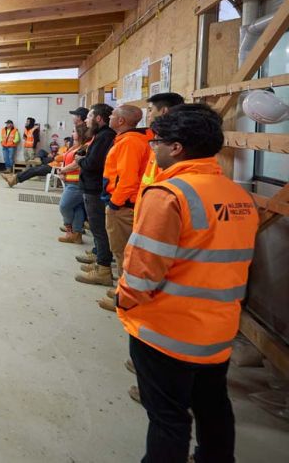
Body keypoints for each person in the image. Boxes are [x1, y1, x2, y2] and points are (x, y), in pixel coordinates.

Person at [117, 104, 258, 463]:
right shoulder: (238, 196)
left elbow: (143, 271)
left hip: (168, 329)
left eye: (157, 142)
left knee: (167, 418)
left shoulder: (168, 195)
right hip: (219, 327)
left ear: (176, 147)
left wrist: (125, 302)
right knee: (212, 406)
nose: (154, 148)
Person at [96, 104, 152, 309]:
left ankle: (126, 296)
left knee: (123, 252)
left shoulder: (129, 143)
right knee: (122, 251)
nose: (109, 117)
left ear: (121, 121)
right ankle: (123, 288)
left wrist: (114, 204)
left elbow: (127, 180)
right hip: (125, 203)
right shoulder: (128, 140)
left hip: (123, 206)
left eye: (112, 115)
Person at [60, 103, 116, 286]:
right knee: (97, 227)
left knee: (99, 228)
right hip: (90, 186)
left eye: (89, 116)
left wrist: (80, 160)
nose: (86, 120)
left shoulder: (104, 136)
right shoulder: (100, 136)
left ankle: (103, 268)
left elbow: (92, 163)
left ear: (98, 118)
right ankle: (99, 258)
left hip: (94, 187)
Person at [139, 92, 185, 196]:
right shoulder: (158, 137)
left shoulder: (168, 143)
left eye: (150, 110)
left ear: (164, 111)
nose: (148, 115)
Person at [56, 125, 90, 244]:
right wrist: (62, 169)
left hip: (77, 183)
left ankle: (69, 229)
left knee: (64, 206)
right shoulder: (74, 147)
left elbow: (76, 164)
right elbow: (66, 160)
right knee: (77, 208)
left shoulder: (84, 147)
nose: (72, 133)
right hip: (70, 181)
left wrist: (63, 170)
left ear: (81, 133)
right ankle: (77, 234)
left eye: (74, 131)